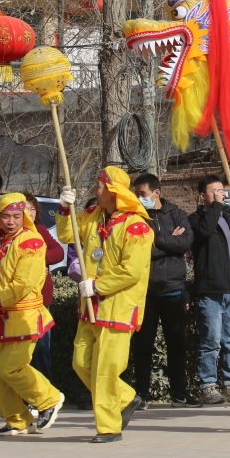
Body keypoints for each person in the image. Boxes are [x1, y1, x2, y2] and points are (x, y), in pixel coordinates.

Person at [56, 167, 153, 443]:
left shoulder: (136, 226)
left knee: (106, 369)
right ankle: (125, 397)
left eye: (98, 186)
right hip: (91, 307)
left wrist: (97, 285)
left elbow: (131, 270)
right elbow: (67, 235)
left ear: (112, 189)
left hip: (119, 308)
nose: (94, 190)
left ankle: (109, 427)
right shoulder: (92, 216)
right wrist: (64, 208)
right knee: (80, 362)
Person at [0, 194, 63, 436]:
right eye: (6, 216)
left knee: (13, 368)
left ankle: (49, 399)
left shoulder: (31, 243)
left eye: (16, 216)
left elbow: (23, 284)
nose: (11, 221)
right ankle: (17, 419)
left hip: (23, 315)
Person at [130, 174, 197, 408]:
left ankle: (179, 393)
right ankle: (142, 395)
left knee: (177, 345)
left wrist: (157, 240)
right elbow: (141, 252)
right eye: (136, 194)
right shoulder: (136, 217)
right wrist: (169, 241)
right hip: (146, 291)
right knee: (142, 346)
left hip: (174, 290)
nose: (138, 198)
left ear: (156, 193)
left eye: (142, 194)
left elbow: (185, 243)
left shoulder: (176, 213)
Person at [189, 175, 230, 405]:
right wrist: (215, 206)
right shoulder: (196, 219)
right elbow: (204, 232)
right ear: (202, 195)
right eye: (214, 191)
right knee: (211, 340)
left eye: (222, 190)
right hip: (211, 289)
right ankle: (207, 385)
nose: (220, 194)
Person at [21, 193, 66, 382]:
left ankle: (45, 390)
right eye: (25, 208)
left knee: (41, 348)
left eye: (32, 208)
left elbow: (58, 252)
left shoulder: (40, 230)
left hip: (41, 297)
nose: (29, 212)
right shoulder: (8, 233)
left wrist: (38, 259)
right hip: (18, 301)